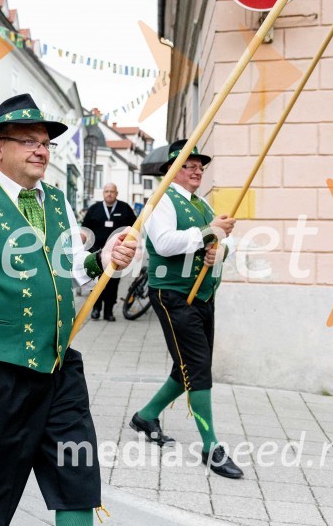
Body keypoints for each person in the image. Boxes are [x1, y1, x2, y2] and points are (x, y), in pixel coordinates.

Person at [0, 94, 138, 526]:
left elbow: (70, 268)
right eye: (29, 140)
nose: (41, 150)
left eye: (46, 143)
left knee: (78, 485)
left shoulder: (57, 201)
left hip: (60, 369)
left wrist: (106, 257)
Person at [128, 139, 243, 479]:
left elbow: (227, 239)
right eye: (189, 165)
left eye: (200, 167)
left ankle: (146, 416)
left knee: (191, 366)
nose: (197, 171)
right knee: (197, 367)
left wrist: (220, 249)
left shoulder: (202, 204)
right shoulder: (161, 200)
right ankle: (211, 446)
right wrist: (209, 233)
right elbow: (164, 242)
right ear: (171, 171)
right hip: (173, 293)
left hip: (203, 295)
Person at [81, 183, 137, 321]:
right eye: (107, 191)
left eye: (112, 191)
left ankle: (109, 312)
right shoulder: (94, 209)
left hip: (117, 252)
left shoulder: (125, 209)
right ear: (103, 193)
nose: (109, 194)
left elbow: (134, 228)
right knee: (95, 283)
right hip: (96, 253)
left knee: (112, 285)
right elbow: (84, 229)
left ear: (116, 193)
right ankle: (96, 309)